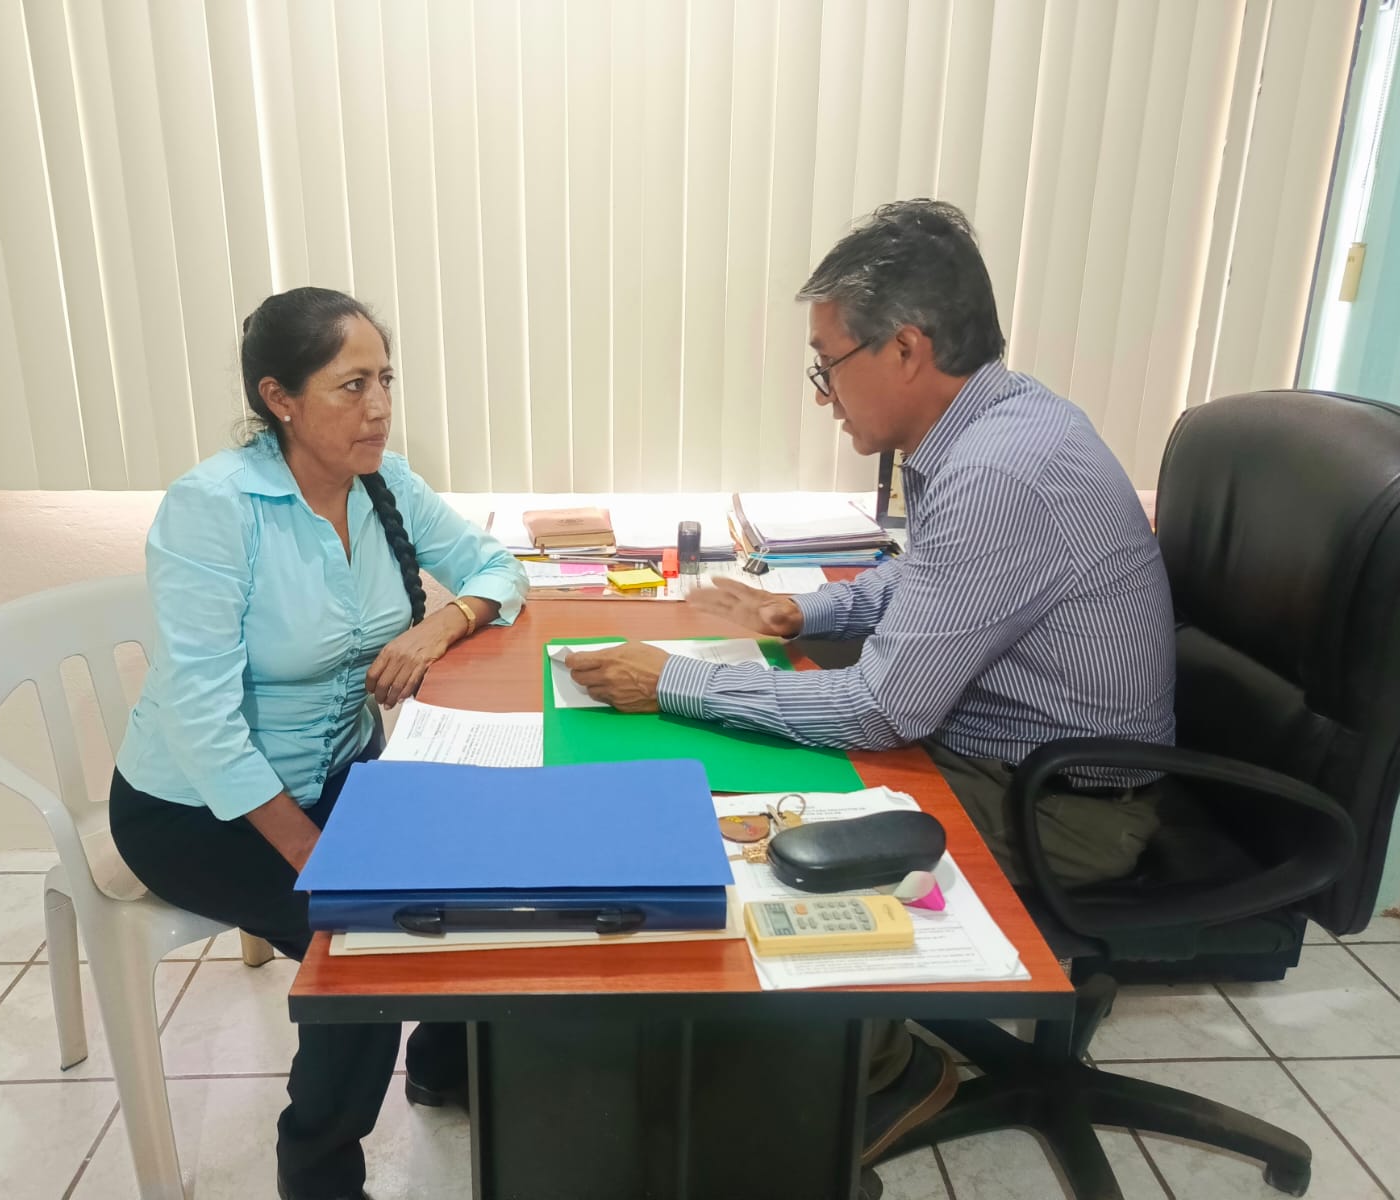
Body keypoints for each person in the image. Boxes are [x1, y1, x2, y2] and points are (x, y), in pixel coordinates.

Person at [565, 200, 1176, 1165]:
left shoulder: (1001, 470)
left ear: (905, 349)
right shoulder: (1000, 423)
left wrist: (673, 682)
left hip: (1064, 802)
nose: (823, 395)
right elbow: (927, 576)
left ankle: (882, 1072)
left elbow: (884, 708)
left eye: (827, 363)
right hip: (1012, 746)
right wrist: (802, 612)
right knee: (768, 752)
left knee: (780, 836)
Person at [109, 287, 528, 1200]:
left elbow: (499, 568)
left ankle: (445, 1067)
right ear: (280, 398)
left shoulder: (385, 481)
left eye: (386, 380)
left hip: (341, 774)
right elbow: (204, 724)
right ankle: (317, 1171)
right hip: (199, 810)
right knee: (364, 937)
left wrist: (440, 624)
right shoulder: (214, 508)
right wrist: (319, 860)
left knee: (478, 872)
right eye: (351, 385)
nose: (379, 406)